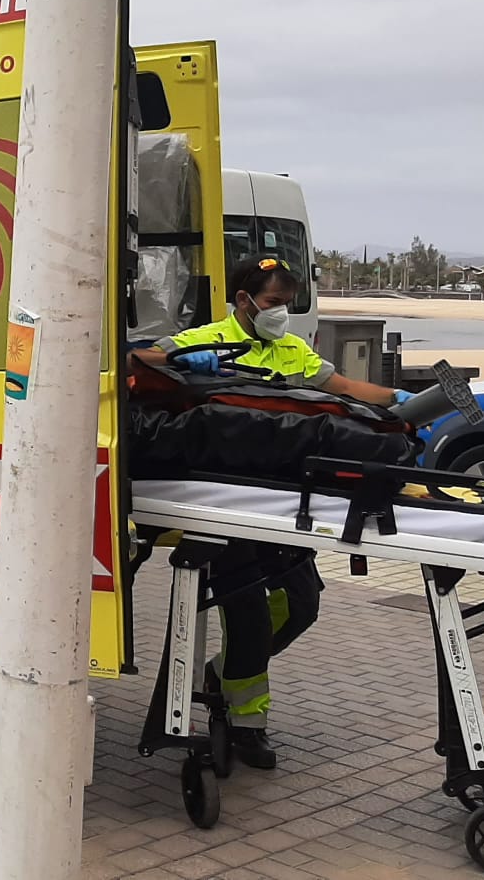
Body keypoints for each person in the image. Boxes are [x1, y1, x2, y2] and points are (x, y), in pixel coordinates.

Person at [133, 256, 408, 769]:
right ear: (243, 300)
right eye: (274, 303)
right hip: (226, 504)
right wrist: (180, 363)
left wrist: (400, 403)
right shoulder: (203, 341)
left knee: (301, 607)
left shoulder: (291, 351)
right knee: (250, 617)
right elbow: (137, 363)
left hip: (287, 503)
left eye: (287, 303)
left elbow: (344, 390)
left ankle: (222, 674)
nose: (281, 313)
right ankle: (247, 725)